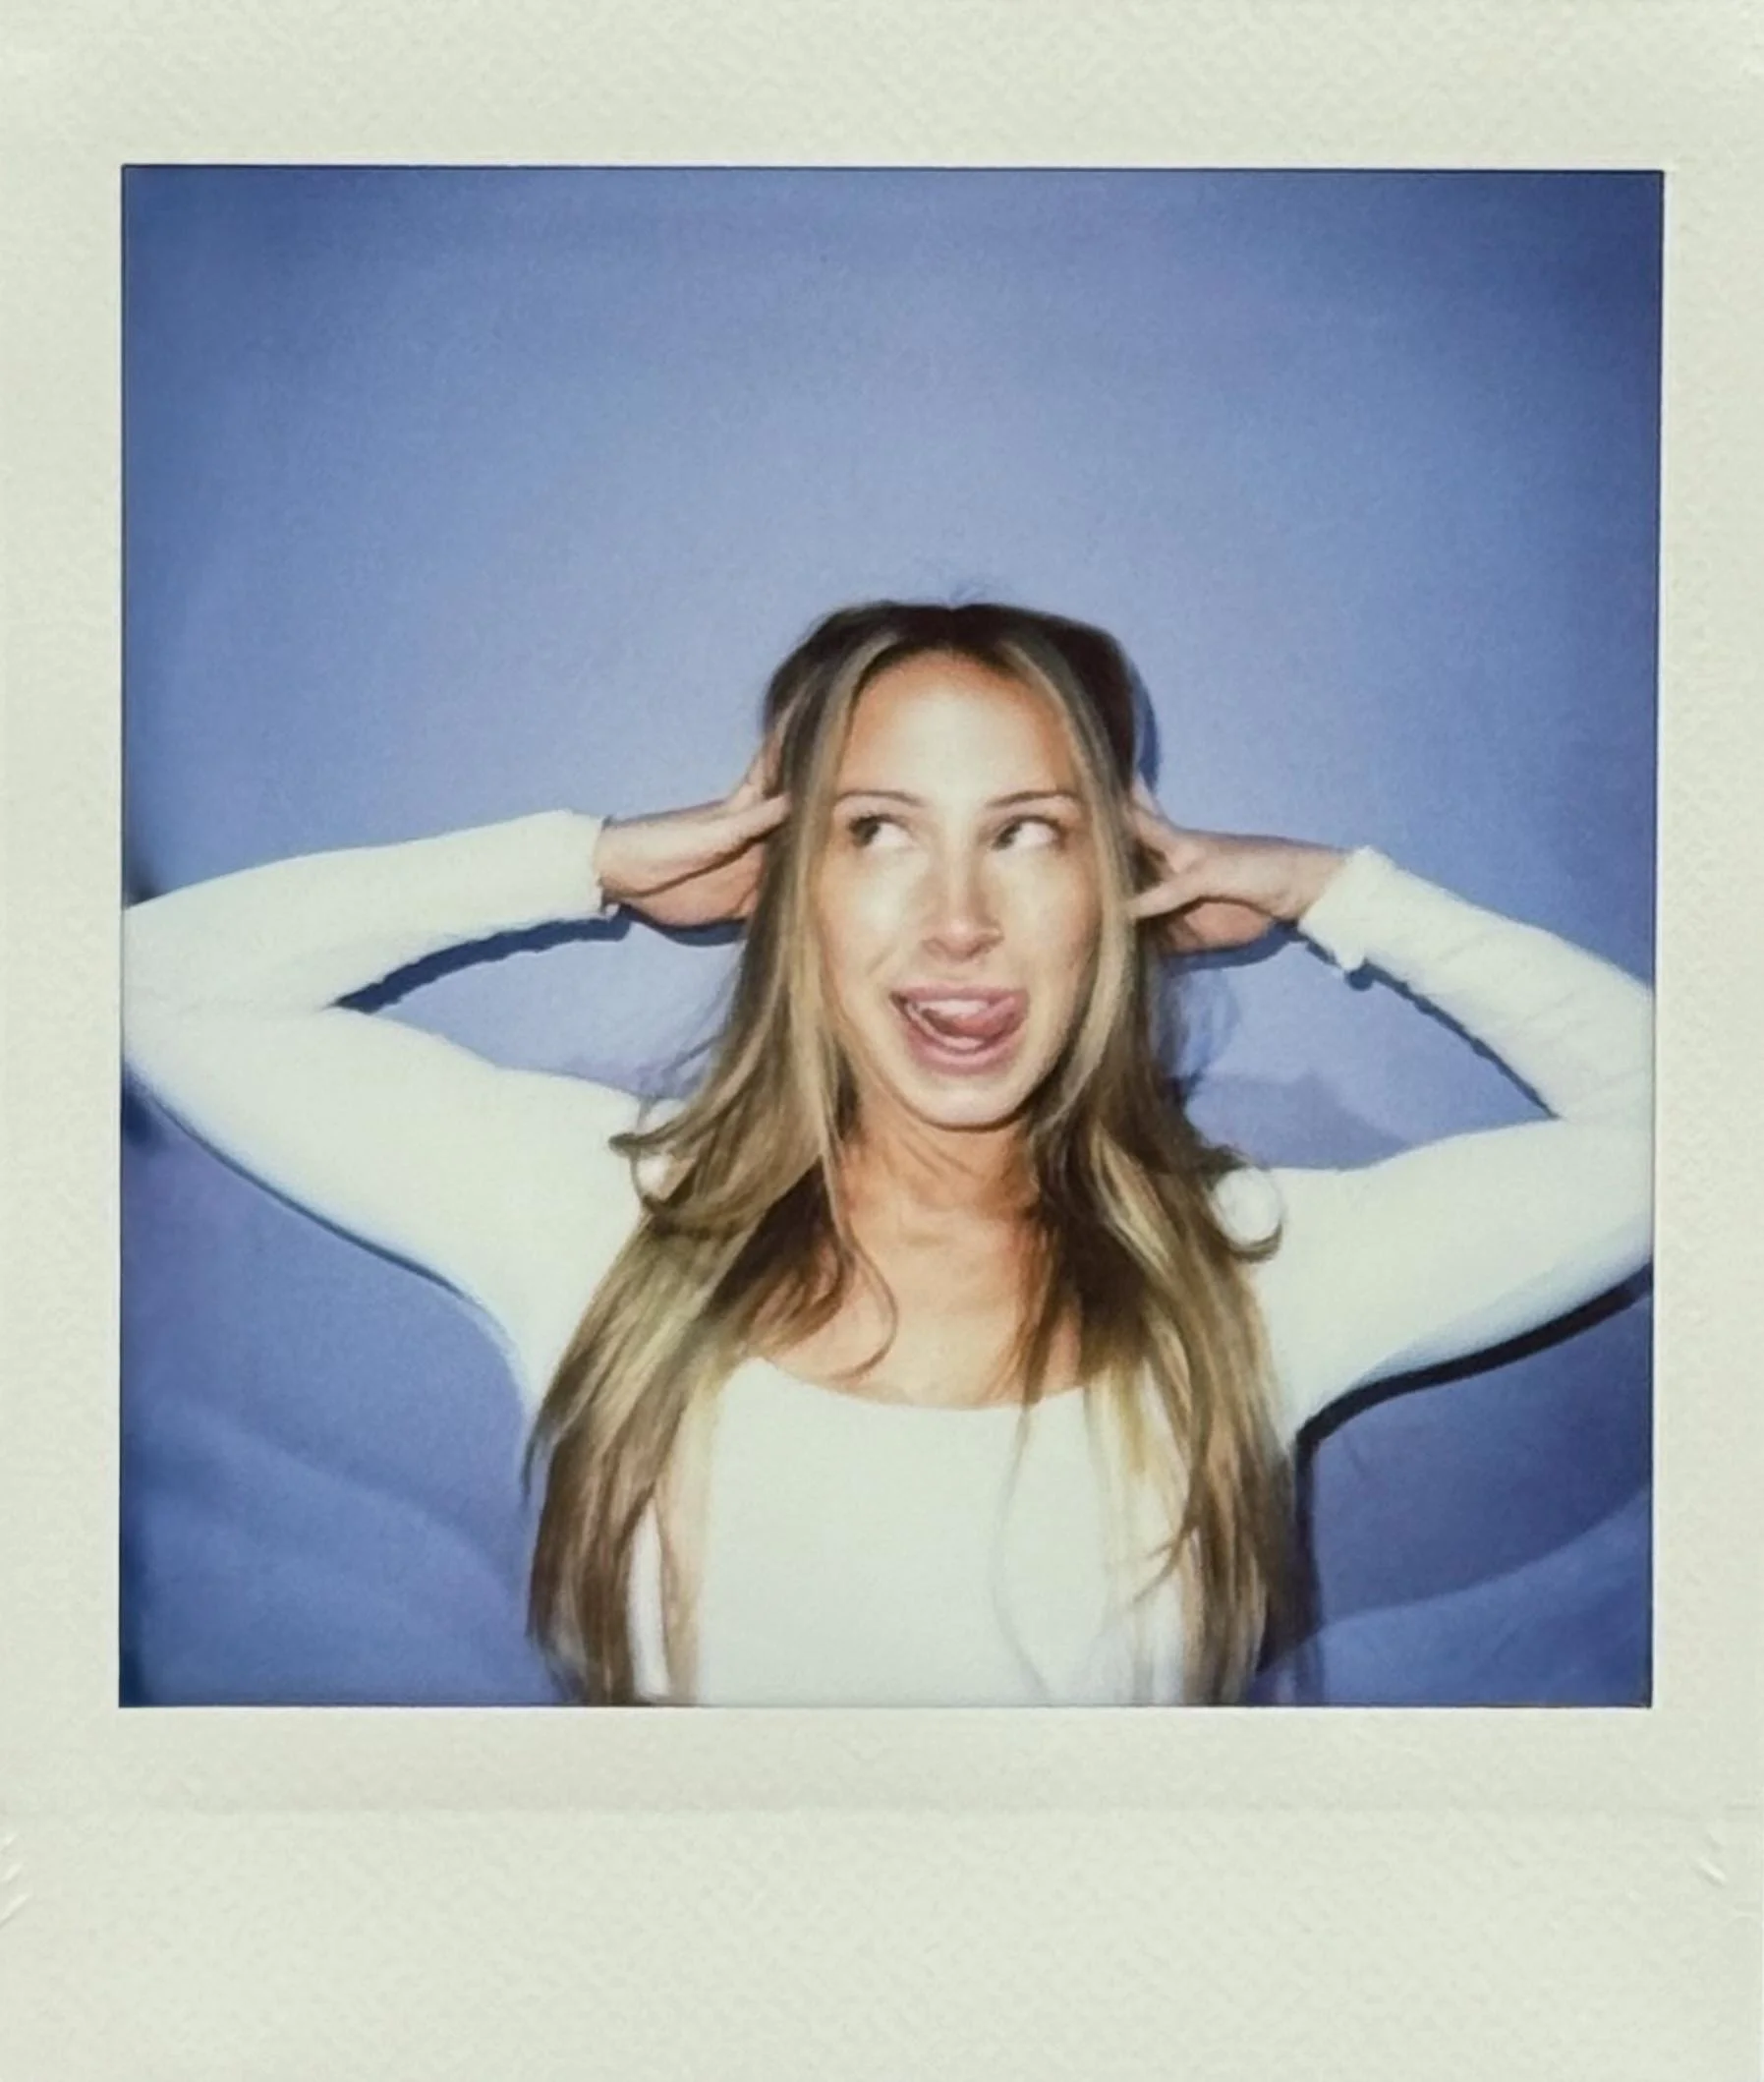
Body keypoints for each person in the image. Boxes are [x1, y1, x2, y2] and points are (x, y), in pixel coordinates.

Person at [122, 600, 1654, 1708]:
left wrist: (1339, 893)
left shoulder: (1243, 1278)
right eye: (876, 832)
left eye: (1030, 832)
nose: (960, 919)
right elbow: (140, 987)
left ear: (1116, 890)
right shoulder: (598, 1220)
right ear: (787, 883)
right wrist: (582, 857)